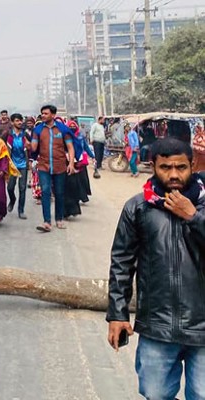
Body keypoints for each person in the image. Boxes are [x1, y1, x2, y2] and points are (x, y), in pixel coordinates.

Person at [107, 137, 205, 399]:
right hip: (157, 326)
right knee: (155, 393)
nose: (173, 175)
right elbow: (121, 262)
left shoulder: (202, 207)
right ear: (153, 165)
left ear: (192, 165)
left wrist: (193, 217)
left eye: (181, 167)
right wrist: (117, 314)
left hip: (203, 327)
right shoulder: (138, 207)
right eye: (165, 167)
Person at [31, 104, 76, 232]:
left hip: (60, 166)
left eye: (46, 113)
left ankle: (59, 219)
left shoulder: (62, 130)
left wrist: (71, 164)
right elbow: (34, 148)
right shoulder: (38, 130)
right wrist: (29, 144)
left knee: (59, 193)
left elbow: (70, 147)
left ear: (53, 115)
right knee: (45, 192)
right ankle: (47, 222)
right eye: (42, 114)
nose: (43, 116)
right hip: (43, 166)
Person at [64, 120, 94, 218]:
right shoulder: (65, 136)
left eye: (74, 126)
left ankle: (80, 199)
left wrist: (92, 156)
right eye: (70, 126)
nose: (72, 127)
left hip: (79, 162)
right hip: (66, 162)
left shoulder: (80, 136)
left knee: (80, 181)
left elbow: (85, 146)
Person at [6, 113, 31, 219]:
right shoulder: (8, 135)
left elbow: (32, 148)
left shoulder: (25, 135)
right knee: (10, 187)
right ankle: (12, 200)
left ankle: (21, 210)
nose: (19, 122)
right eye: (17, 120)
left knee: (22, 188)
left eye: (20, 120)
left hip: (23, 165)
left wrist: (30, 159)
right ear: (12, 122)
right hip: (12, 165)